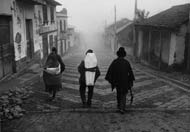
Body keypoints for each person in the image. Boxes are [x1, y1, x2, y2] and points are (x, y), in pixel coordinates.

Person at [105, 47, 135, 114]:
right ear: (124, 55)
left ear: (118, 54)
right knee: (124, 94)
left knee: (119, 93)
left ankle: (119, 106)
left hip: (117, 81)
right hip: (125, 81)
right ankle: (122, 108)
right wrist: (131, 81)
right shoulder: (126, 62)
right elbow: (130, 73)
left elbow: (110, 72)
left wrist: (112, 80)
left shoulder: (115, 62)